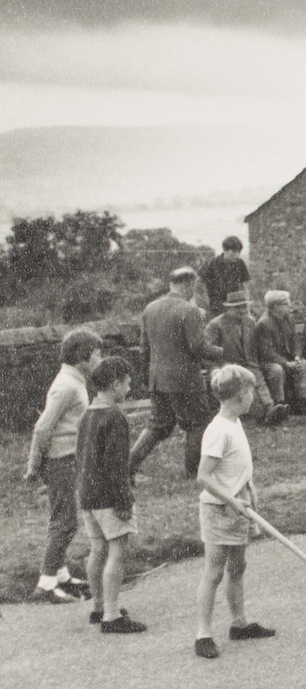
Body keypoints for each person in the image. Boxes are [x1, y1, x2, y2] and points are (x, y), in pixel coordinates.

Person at [194, 364, 277, 659]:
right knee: (214, 571)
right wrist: (231, 500)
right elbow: (203, 477)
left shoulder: (235, 422)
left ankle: (239, 624)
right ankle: (203, 634)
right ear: (241, 394)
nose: (254, 396)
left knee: (238, 567)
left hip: (239, 504)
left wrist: (248, 489)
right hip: (220, 509)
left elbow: (237, 466)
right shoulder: (218, 430)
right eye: (252, 390)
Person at [24, 328, 103, 603]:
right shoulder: (67, 385)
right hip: (60, 460)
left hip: (70, 458)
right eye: (96, 354)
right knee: (66, 521)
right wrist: (34, 466)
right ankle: (45, 585)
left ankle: (60, 576)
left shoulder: (75, 379)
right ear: (82, 357)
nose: (99, 360)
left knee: (65, 518)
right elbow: (42, 428)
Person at [129, 267, 224, 483]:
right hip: (185, 380)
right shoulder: (188, 310)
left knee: (158, 425)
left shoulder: (150, 308)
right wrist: (223, 352)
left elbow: (144, 349)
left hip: (158, 379)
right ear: (188, 284)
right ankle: (193, 473)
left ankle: (128, 466)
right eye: (194, 286)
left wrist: (148, 378)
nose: (194, 291)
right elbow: (198, 347)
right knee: (197, 423)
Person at [76, 356, 147, 633]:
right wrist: (123, 500)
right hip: (108, 496)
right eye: (127, 383)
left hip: (87, 494)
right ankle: (112, 615)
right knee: (117, 551)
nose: (129, 389)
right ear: (115, 384)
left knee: (97, 549)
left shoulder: (88, 413)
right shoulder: (115, 417)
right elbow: (116, 465)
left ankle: (98, 606)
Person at [205, 290, 289, 426]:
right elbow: (208, 353)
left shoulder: (250, 322)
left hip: (250, 364)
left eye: (244, 306)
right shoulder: (216, 325)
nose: (242, 310)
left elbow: (256, 347)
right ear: (228, 308)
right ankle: (268, 412)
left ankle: (273, 408)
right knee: (252, 389)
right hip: (228, 367)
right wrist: (215, 370)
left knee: (262, 377)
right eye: (238, 307)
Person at [255, 290, 306, 416]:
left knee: (305, 365)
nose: (290, 306)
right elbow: (267, 353)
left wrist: (297, 356)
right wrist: (287, 364)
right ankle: (279, 405)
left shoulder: (288, 318)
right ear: (276, 307)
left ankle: (303, 404)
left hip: (287, 358)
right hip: (269, 362)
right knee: (277, 370)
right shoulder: (263, 323)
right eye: (286, 304)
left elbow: (295, 341)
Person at [198, 236, 251, 316]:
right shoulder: (211, 263)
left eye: (238, 252)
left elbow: (245, 287)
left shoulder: (240, 264)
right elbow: (198, 284)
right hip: (215, 307)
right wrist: (202, 305)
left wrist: (248, 310)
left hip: (234, 306)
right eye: (233, 252)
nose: (236, 255)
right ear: (225, 250)